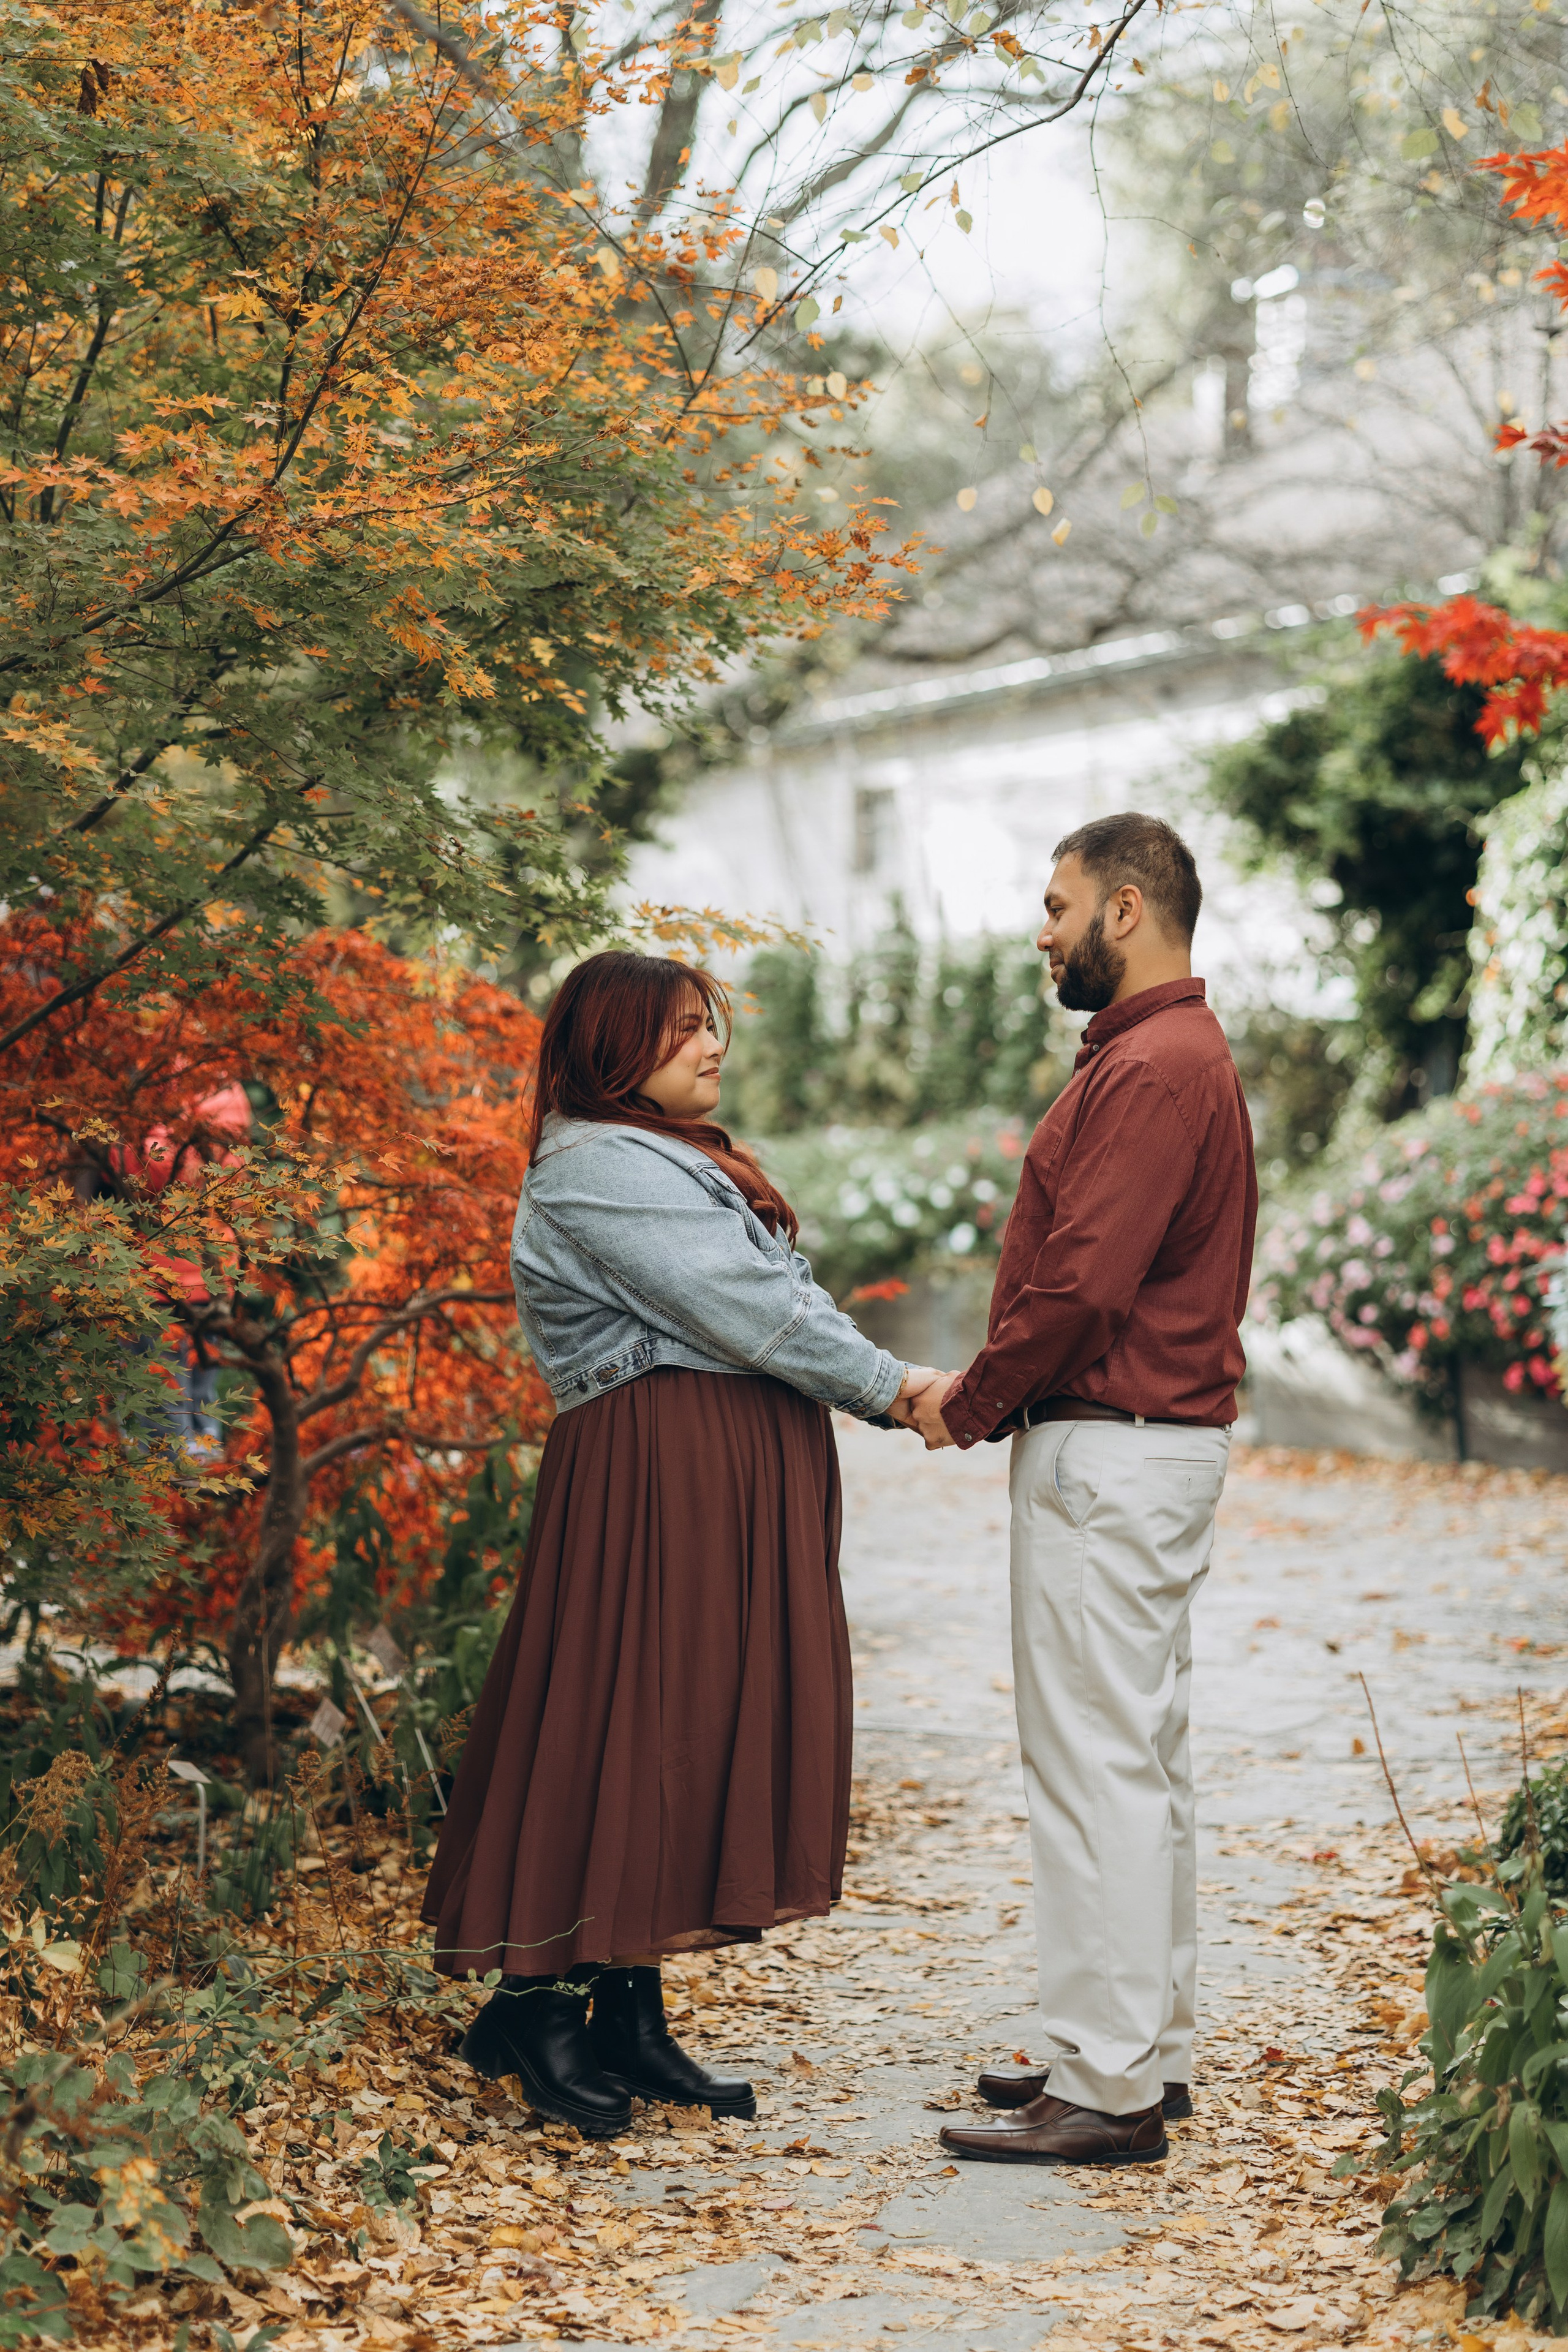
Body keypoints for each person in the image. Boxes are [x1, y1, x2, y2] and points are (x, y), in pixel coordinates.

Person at [422, 951, 948, 2137]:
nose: (712, 1045)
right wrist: (898, 1386)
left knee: (683, 1724)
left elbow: (781, 1306)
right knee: (622, 1713)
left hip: (712, 1465)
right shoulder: (601, 1164)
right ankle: (532, 2005)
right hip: (655, 1475)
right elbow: (747, 1308)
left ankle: (626, 2005)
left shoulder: (667, 1155)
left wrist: (877, 1384)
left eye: (711, 1024)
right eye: (681, 1029)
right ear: (615, 1049)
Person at [905, 813, 1257, 2169]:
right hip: (1138, 1449)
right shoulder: (1163, 1056)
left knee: (1096, 1763)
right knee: (1135, 1761)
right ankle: (1123, 2055)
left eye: (1053, 907)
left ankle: (1105, 2089)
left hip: (1109, 1448)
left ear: (1124, 908)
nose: (1037, 931)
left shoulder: (1154, 1067)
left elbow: (1083, 1284)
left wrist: (972, 1402)